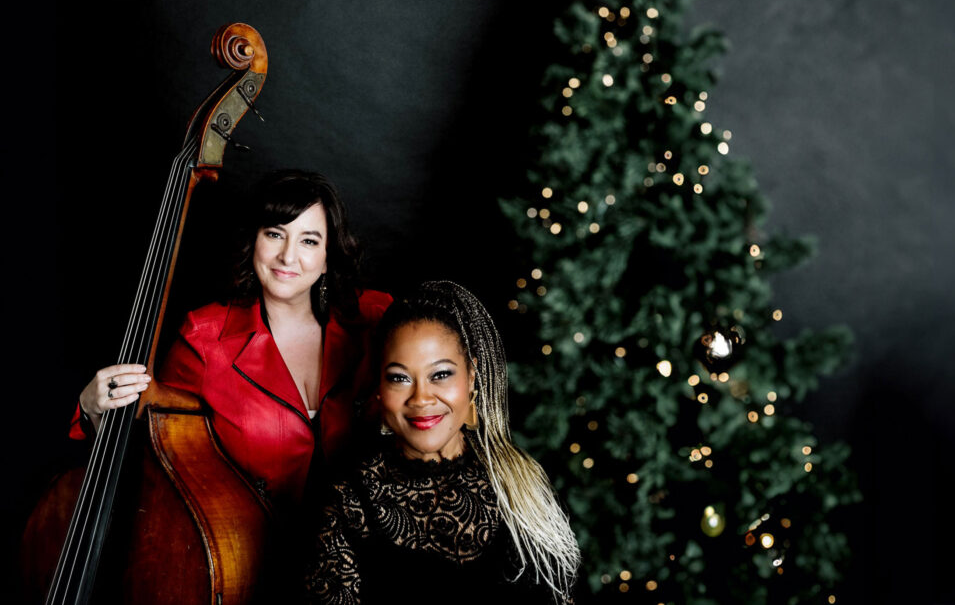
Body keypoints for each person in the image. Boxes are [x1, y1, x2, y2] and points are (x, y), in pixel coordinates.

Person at [72, 169, 392, 506]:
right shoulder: (205, 337)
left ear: (328, 256)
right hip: (243, 548)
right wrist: (93, 410)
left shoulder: (374, 318)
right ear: (254, 240)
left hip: (357, 545)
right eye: (274, 234)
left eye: (309, 240)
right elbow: (151, 448)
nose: (287, 256)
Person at [305, 281, 580, 605]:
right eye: (399, 377)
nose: (421, 399)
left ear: (472, 378)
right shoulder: (347, 501)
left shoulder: (522, 483)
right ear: (379, 387)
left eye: (440, 375)